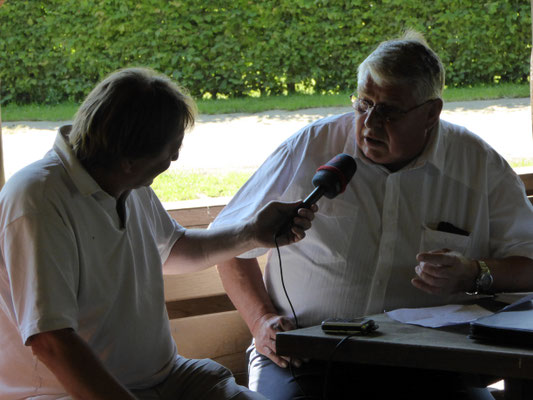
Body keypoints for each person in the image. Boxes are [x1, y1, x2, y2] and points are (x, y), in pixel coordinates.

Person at [212, 31, 533, 399]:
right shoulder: (309, 148)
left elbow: (530, 262)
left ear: (431, 112)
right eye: (363, 103)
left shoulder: (478, 166)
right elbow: (228, 243)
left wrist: (475, 273)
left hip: (435, 362)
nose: (370, 123)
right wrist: (261, 321)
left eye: (390, 111)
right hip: (305, 356)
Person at [0, 67, 317, 399]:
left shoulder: (124, 180)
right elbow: (50, 340)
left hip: (167, 377)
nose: (175, 157)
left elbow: (174, 249)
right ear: (129, 160)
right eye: (172, 148)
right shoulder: (38, 199)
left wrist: (252, 233)